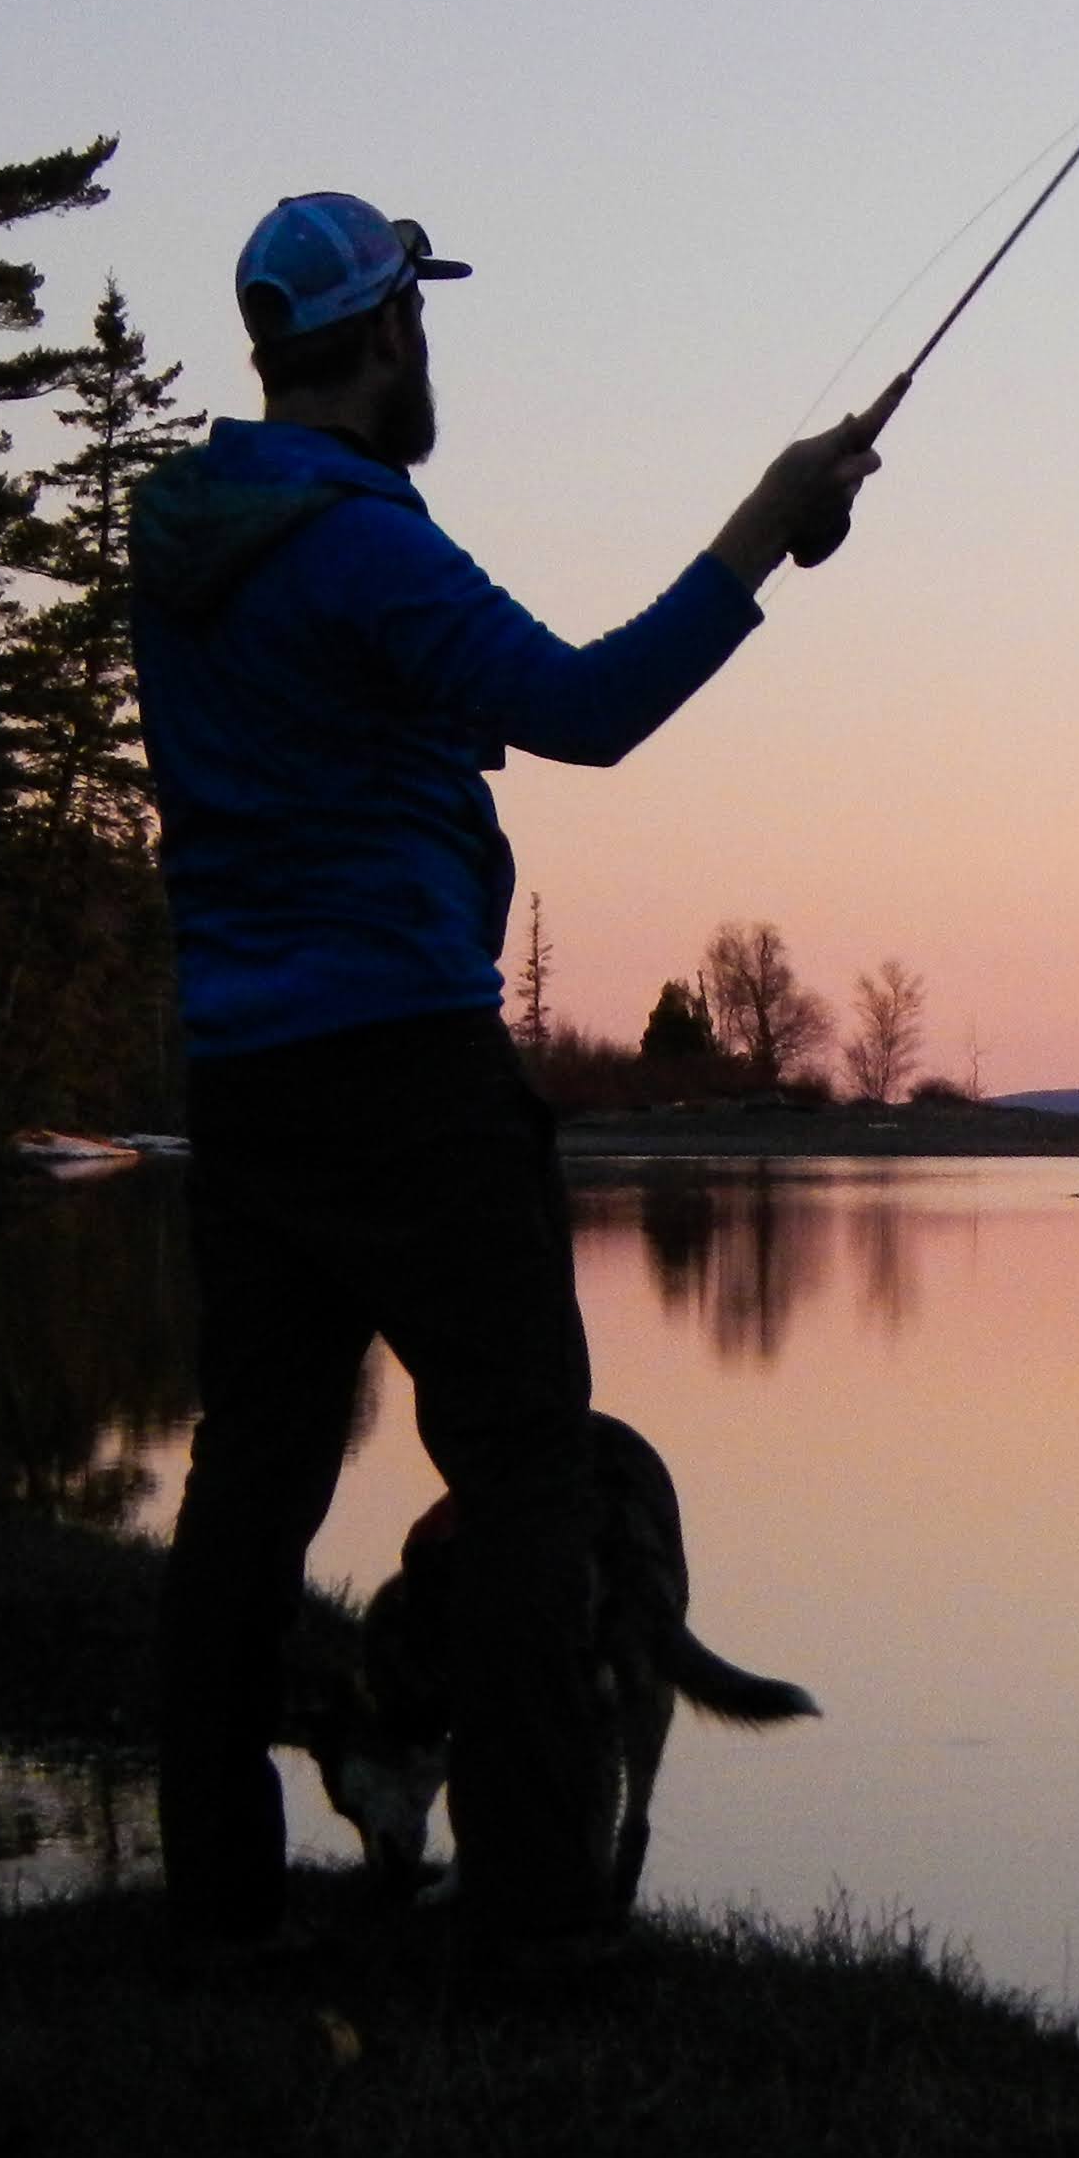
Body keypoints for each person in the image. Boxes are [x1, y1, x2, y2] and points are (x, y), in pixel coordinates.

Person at [133, 192, 882, 1959]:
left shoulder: (187, 548)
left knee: (250, 1479)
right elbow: (591, 703)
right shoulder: (361, 546)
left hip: (243, 1082)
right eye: (421, 322)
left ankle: (217, 1901)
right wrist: (765, 531)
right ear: (387, 333)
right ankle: (540, 1927)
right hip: (404, 1068)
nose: (428, 354)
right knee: (528, 1474)